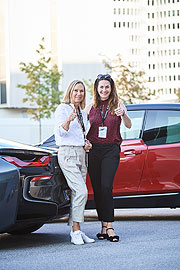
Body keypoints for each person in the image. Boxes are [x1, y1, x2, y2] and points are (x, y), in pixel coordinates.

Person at [85, 74, 132, 242]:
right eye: (101, 87)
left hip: (111, 150)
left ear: (111, 89)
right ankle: (103, 227)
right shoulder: (90, 107)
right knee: (98, 190)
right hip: (93, 150)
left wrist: (123, 114)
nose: (104, 90)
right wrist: (84, 142)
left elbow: (128, 124)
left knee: (106, 186)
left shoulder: (118, 105)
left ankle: (110, 226)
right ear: (96, 89)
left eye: (107, 87)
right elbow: (82, 127)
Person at [54, 80, 95, 245]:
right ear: (70, 92)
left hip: (81, 153)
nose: (79, 94)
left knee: (78, 194)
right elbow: (59, 134)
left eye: (82, 91)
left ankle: (76, 229)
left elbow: (80, 135)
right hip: (67, 153)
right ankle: (75, 231)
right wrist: (68, 120)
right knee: (82, 191)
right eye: (76, 90)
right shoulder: (62, 109)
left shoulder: (83, 113)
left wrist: (86, 143)